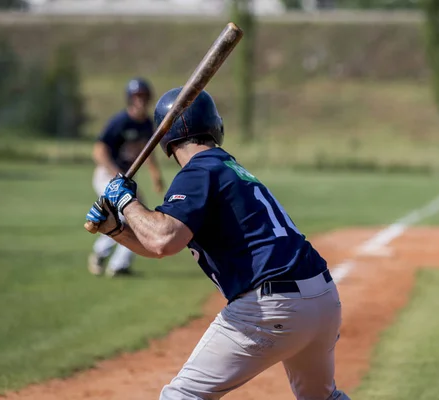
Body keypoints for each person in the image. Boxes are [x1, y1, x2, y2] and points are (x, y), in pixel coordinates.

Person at [85, 88, 349, 400]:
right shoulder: (225, 167)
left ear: (166, 138)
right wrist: (116, 229)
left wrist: (125, 200)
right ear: (212, 125)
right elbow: (165, 240)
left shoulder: (199, 171)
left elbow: (162, 240)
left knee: (181, 397)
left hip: (271, 306)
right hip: (322, 299)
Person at [87, 77, 165, 277]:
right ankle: (102, 255)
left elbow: (147, 151)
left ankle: (118, 264)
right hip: (107, 175)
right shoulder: (121, 121)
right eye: (136, 96)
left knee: (137, 217)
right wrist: (115, 176)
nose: (140, 100)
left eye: (143, 96)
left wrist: (156, 175)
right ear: (130, 99)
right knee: (127, 216)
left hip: (124, 180)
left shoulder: (146, 124)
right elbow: (99, 151)